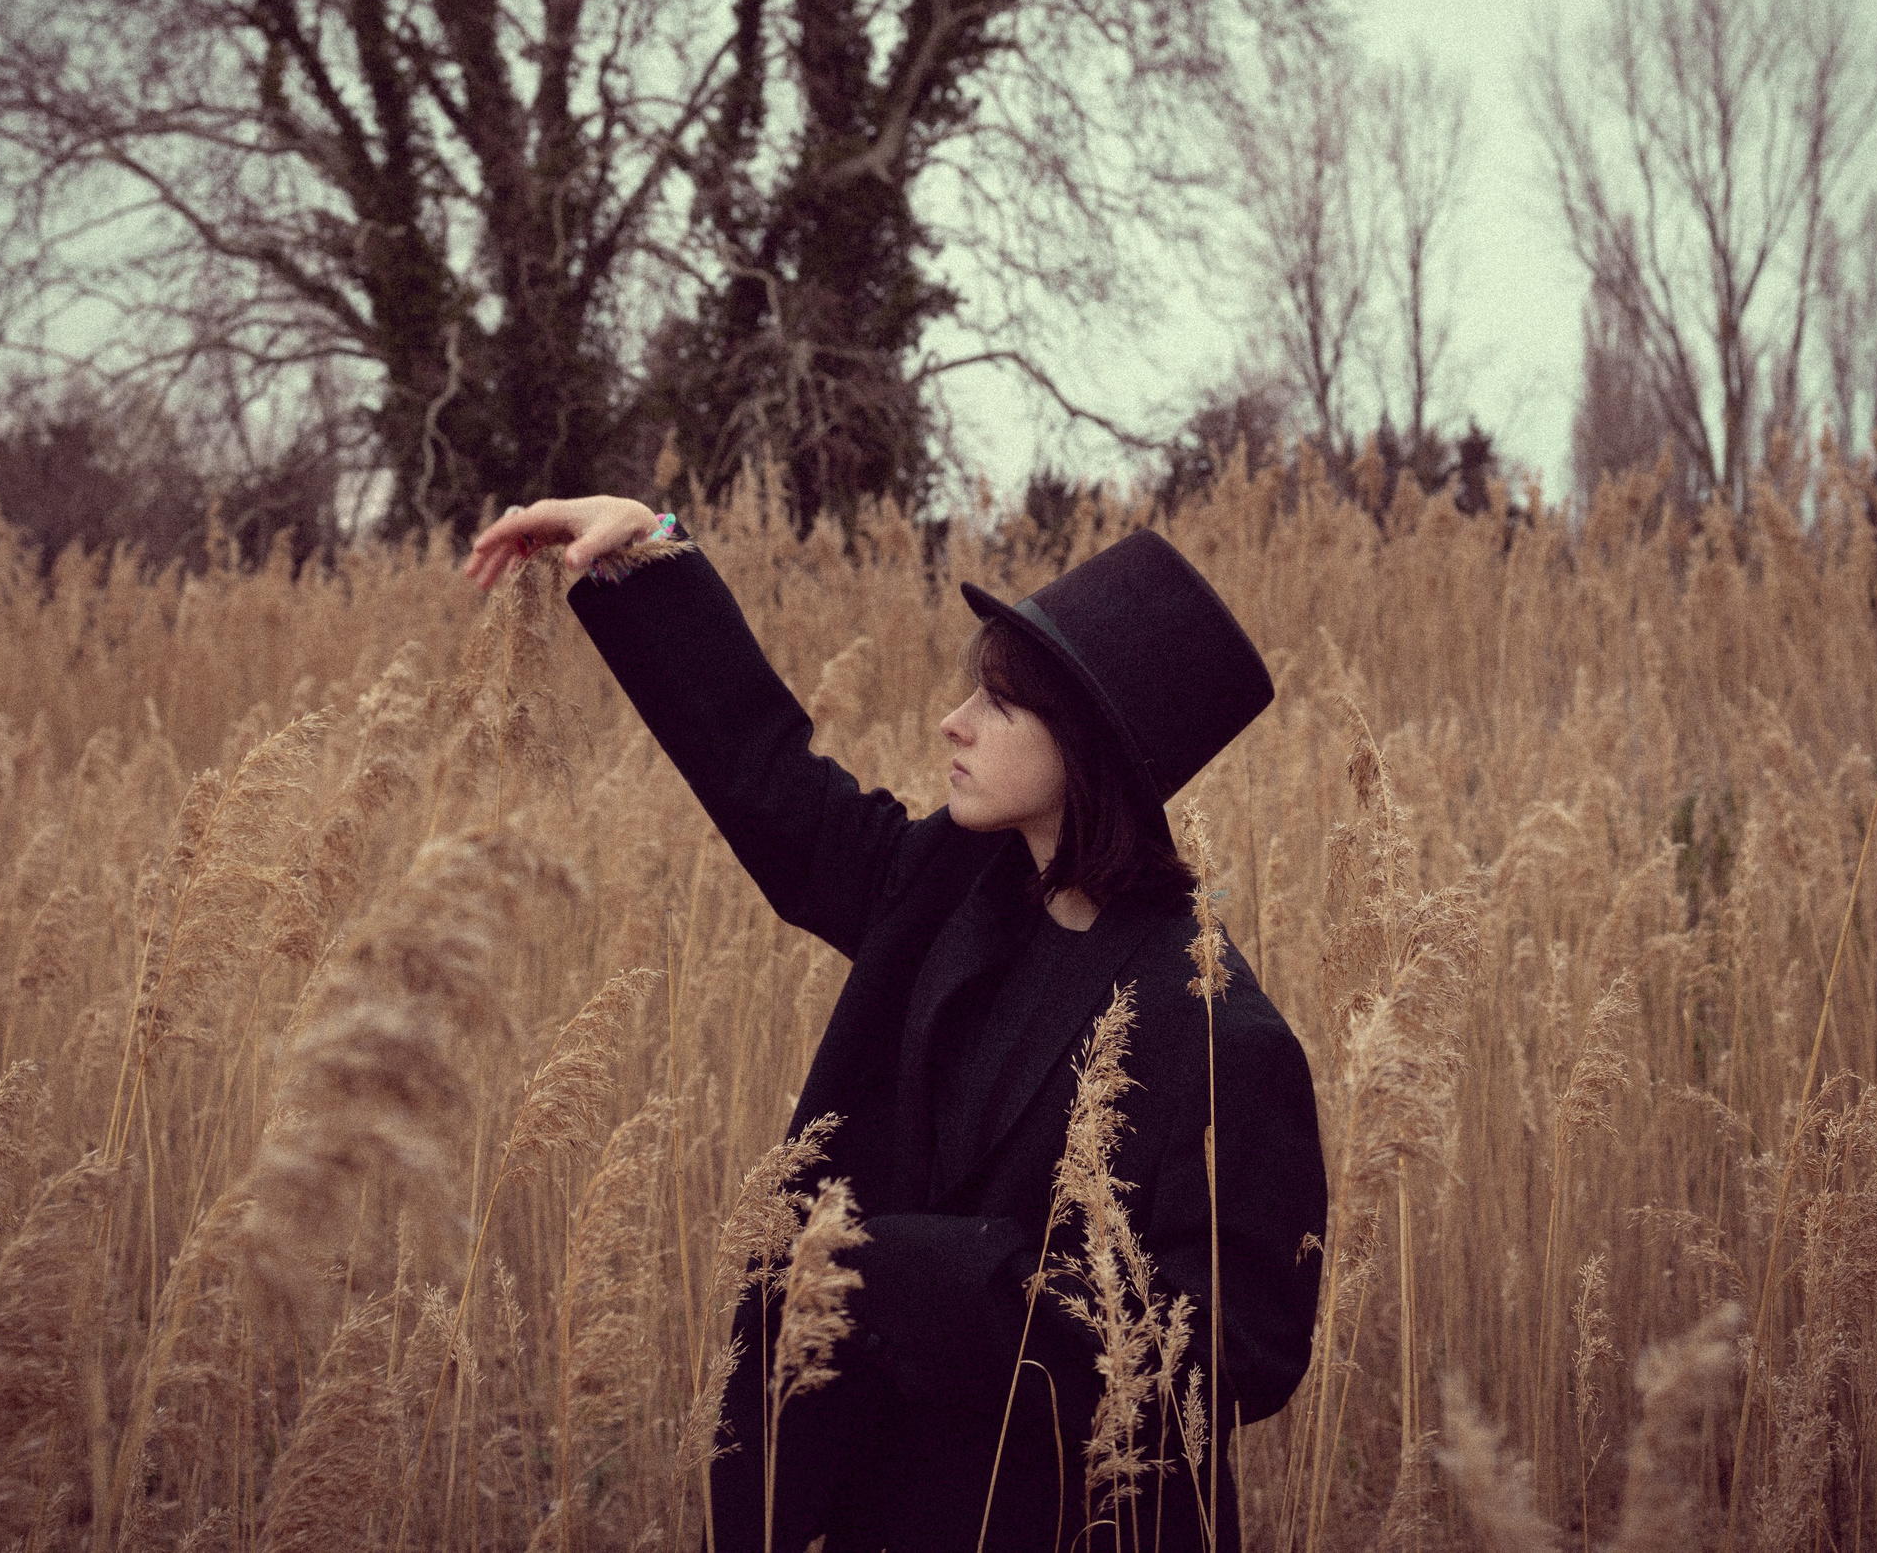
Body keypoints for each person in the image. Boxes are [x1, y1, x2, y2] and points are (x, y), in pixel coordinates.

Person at [465, 497, 1326, 1553]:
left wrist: (944, 1275)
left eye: (998, 706)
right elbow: (768, 783)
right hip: (876, 1505)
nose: (951, 722)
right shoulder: (949, 889)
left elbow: (1242, 1348)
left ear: (1094, 751)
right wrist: (650, 551)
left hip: (1055, 1526)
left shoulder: (1218, 1034)